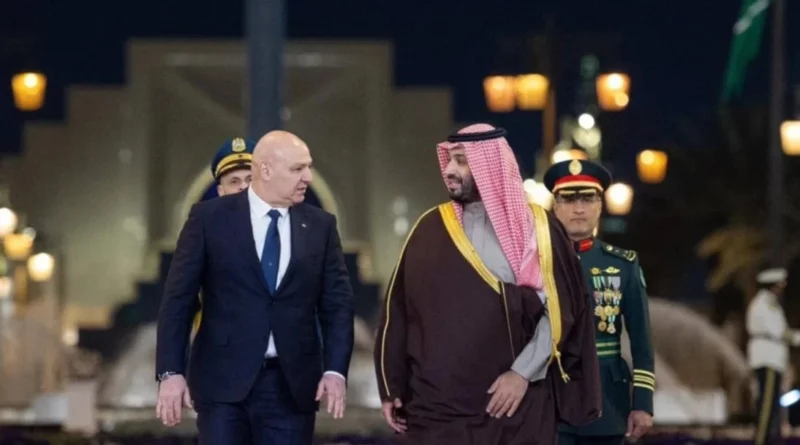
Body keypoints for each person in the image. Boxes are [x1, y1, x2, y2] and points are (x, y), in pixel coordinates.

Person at [374, 123, 601, 445]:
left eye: (462, 161)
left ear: (490, 166)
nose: (449, 171)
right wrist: (391, 387)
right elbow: (397, 312)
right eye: (449, 160)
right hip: (437, 409)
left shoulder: (538, 229)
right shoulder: (429, 228)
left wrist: (522, 373)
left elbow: (562, 307)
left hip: (515, 405)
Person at [155, 130, 355, 444]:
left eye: (308, 167)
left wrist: (335, 370)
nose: (308, 177)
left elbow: (338, 304)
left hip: (292, 387)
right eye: (298, 168)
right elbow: (179, 300)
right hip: (221, 385)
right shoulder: (208, 218)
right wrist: (170, 372)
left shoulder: (321, 226)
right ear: (266, 170)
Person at [543, 159, 655, 445]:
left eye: (588, 199)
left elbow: (642, 339)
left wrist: (643, 403)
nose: (579, 208)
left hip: (607, 401)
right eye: (569, 200)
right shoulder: (537, 262)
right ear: (555, 206)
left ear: (600, 206)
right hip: (550, 396)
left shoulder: (623, 264)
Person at [190, 137, 257, 335]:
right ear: (221, 191)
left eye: (250, 179)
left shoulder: (284, 227)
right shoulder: (204, 234)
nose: (243, 187)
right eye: (234, 181)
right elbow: (184, 296)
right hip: (221, 340)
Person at [746, 267, 800, 445]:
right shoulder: (764, 304)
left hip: (772, 360)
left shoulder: (770, 304)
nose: (782, 288)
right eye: (780, 284)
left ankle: (767, 438)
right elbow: (779, 332)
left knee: (771, 405)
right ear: (773, 285)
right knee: (767, 405)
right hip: (767, 359)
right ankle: (761, 440)